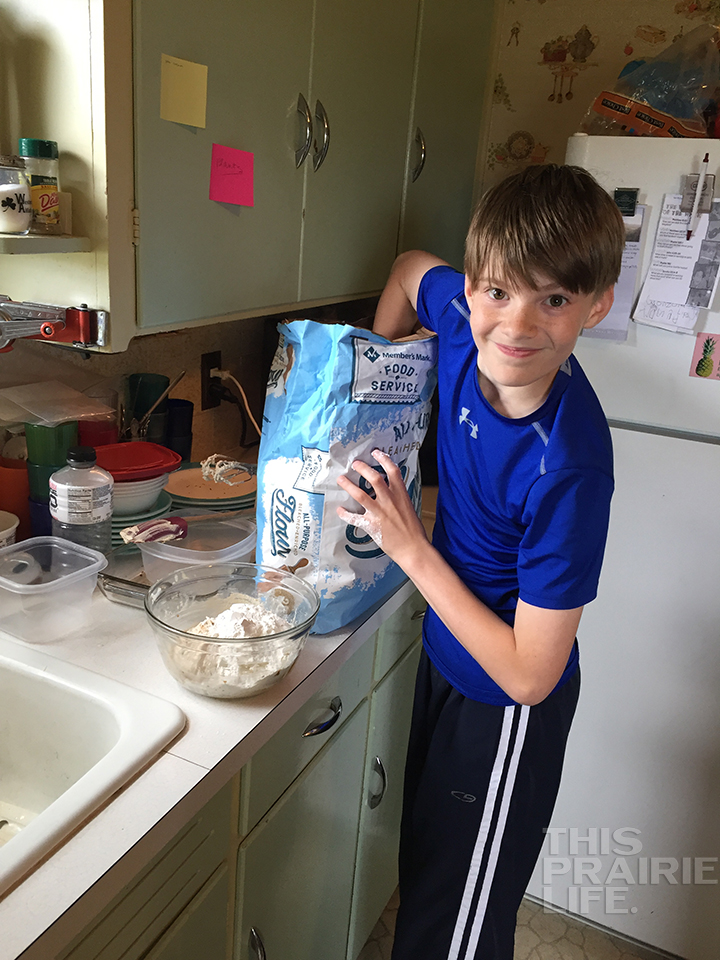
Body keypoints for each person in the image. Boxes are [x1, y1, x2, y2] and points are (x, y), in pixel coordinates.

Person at [336, 164, 624, 959]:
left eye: (554, 300)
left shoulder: (568, 466)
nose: (517, 325)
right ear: (471, 289)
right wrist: (378, 396)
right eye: (499, 291)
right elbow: (407, 270)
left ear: (596, 306)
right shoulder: (464, 327)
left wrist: (410, 546)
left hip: (504, 715)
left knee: (452, 931)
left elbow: (531, 674)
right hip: (446, 663)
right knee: (429, 876)